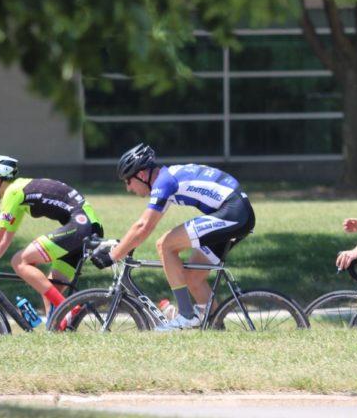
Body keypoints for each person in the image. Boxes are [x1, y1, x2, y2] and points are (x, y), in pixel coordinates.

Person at [91, 142, 255, 331]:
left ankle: (186, 315)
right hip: (235, 212)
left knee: (165, 245)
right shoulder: (167, 180)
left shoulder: (164, 183)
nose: (128, 188)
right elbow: (143, 225)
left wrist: (112, 256)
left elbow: (144, 227)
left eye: (128, 181)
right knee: (193, 278)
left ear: (142, 175)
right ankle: (216, 329)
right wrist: (122, 247)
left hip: (233, 211)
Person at [0, 156, 103, 317]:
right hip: (88, 226)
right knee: (50, 288)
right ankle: (58, 333)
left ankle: (69, 309)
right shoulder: (20, 191)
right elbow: (5, 239)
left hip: (81, 226)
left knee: (19, 261)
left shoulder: (13, 192)